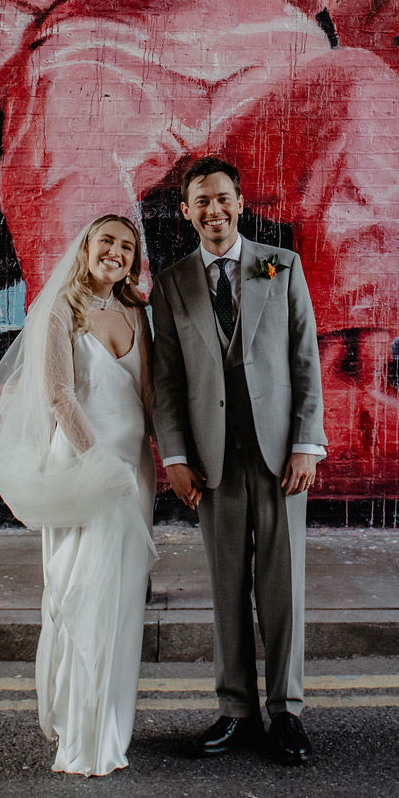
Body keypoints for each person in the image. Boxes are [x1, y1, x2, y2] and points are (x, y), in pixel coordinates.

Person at [0, 214, 155, 776]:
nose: (116, 252)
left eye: (127, 247)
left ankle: (110, 722)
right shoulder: (61, 309)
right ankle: (83, 737)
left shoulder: (136, 312)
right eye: (106, 241)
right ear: (86, 248)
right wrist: (99, 463)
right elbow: (59, 395)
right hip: (85, 467)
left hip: (134, 470)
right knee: (82, 591)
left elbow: (150, 394)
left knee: (123, 598)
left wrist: (168, 459)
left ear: (134, 261)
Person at [150, 157, 324, 766]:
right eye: (201, 201)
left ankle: (286, 712)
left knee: (283, 588)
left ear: (240, 202)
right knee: (226, 588)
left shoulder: (281, 265)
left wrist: (307, 443)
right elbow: (166, 380)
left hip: (279, 457)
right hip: (212, 461)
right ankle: (234, 708)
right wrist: (173, 456)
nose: (213, 210)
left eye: (222, 198)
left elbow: (305, 358)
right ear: (186, 211)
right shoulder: (173, 284)